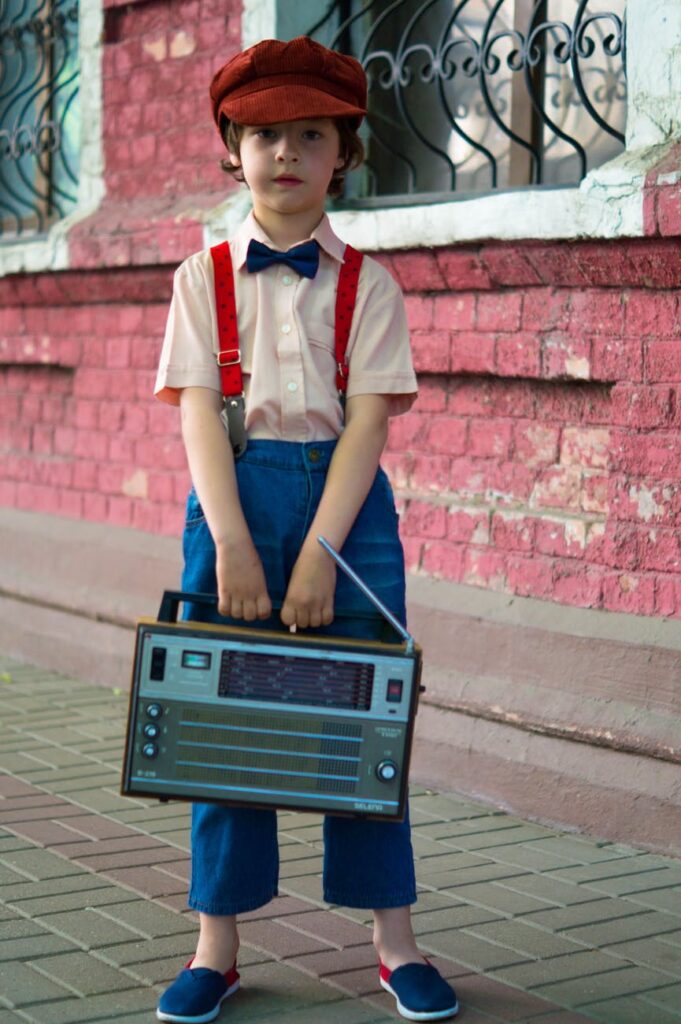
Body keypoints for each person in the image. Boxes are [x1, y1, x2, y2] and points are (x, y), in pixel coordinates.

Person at [153, 35, 459, 1024]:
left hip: (346, 508)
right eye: (265, 135)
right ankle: (217, 946)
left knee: (362, 720)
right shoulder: (201, 278)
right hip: (233, 499)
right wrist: (234, 544)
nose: (287, 153)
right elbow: (199, 410)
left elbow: (368, 421)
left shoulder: (369, 283)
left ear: (345, 152)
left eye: (311, 135)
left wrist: (324, 551)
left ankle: (395, 942)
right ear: (232, 149)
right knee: (223, 723)